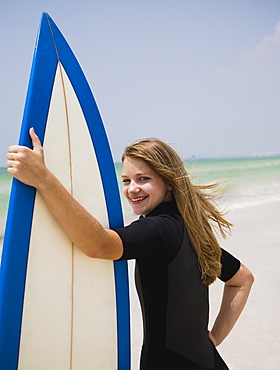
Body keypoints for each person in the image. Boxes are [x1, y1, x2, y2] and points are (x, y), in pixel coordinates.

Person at [6, 128, 254, 370]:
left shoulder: (159, 230)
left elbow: (98, 244)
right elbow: (242, 278)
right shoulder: (188, 229)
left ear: (168, 182)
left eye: (143, 179)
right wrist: (215, 338)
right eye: (126, 180)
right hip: (206, 361)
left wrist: (43, 180)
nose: (132, 189)